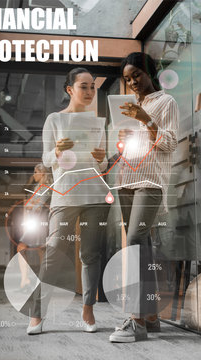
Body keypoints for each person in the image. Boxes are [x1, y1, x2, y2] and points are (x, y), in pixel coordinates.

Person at [27, 67, 110, 335]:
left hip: (95, 194)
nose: (88, 91)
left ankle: (88, 309)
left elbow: (104, 163)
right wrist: (57, 150)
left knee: (90, 255)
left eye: (92, 87)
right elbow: (47, 161)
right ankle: (37, 313)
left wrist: (101, 158)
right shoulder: (54, 120)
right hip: (65, 193)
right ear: (69, 89)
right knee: (54, 253)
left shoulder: (98, 122)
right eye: (83, 86)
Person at [109, 52, 179, 343]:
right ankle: (151, 317)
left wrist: (146, 119)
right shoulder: (131, 106)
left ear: (150, 71)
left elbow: (170, 142)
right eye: (127, 79)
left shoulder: (166, 102)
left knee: (135, 242)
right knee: (143, 246)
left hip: (150, 182)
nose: (132, 82)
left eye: (136, 74)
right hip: (127, 180)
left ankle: (135, 318)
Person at [16, 162, 52, 291]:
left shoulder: (46, 187)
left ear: (42, 173)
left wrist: (31, 205)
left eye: (36, 172)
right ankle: (31, 281)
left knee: (24, 248)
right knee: (40, 250)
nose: (34, 174)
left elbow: (38, 206)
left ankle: (28, 281)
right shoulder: (39, 186)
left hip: (39, 223)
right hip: (36, 223)